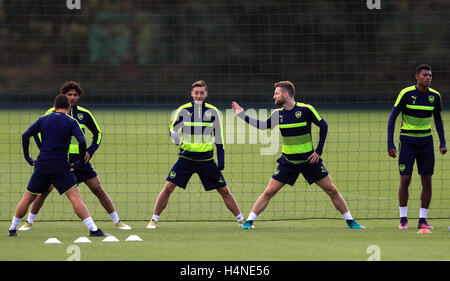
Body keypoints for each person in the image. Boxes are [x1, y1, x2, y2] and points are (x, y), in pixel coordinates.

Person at [232, 81, 365, 230]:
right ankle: (249, 222)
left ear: (286, 94)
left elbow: (323, 125)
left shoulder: (306, 110)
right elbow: (263, 126)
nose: (274, 96)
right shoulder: (278, 114)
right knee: (269, 192)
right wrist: (242, 115)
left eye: (276, 93)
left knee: (332, 190)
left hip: (310, 161)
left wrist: (318, 151)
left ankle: (350, 221)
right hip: (288, 162)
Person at [19, 81, 131, 231]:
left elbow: (98, 134)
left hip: (81, 161)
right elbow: (36, 133)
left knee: (97, 188)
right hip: (58, 161)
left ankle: (117, 221)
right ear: (63, 96)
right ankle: (29, 222)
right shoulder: (50, 113)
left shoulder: (84, 114)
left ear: (79, 96)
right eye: (69, 94)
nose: (72, 97)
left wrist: (90, 151)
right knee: (43, 192)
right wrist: (44, 150)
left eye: (75, 94)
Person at [147, 80, 244, 229]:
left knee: (224, 190)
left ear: (206, 94)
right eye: (196, 93)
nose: (199, 95)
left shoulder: (213, 112)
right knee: (168, 187)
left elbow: (219, 138)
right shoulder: (184, 110)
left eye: (202, 93)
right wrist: (174, 136)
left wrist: (221, 158)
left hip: (206, 159)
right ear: (191, 94)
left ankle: (241, 220)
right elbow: (172, 129)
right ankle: (154, 219)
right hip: (186, 158)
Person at [9, 94, 105, 237]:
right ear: (68, 107)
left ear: (54, 106)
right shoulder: (71, 122)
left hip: (42, 165)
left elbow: (25, 135)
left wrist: (28, 158)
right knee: (75, 197)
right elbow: (82, 140)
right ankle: (93, 229)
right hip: (60, 166)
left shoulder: (43, 120)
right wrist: (79, 160)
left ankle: (12, 229)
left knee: (28, 196)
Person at [387, 64, 447, 230]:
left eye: (430, 75)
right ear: (417, 77)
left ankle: (422, 220)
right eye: (425, 75)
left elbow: (438, 120)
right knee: (405, 178)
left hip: (426, 142)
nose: (428, 78)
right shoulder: (406, 94)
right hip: (407, 141)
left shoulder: (435, 96)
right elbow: (392, 119)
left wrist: (442, 142)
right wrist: (390, 144)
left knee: (427, 180)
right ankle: (403, 218)